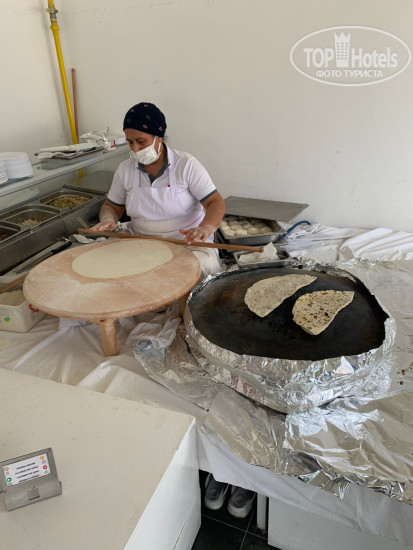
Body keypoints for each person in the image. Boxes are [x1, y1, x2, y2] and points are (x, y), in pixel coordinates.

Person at [91, 102, 225, 277]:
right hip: (139, 241)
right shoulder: (125, 169)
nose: (135, 149)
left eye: (141, 141)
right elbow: (112, 206)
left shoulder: (186, 165)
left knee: (195, 268)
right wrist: (108, 219)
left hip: (187, 244)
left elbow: (215, 202)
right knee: (109, 266)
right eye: (130, 142)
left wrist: (205, 228)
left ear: (159, 137)